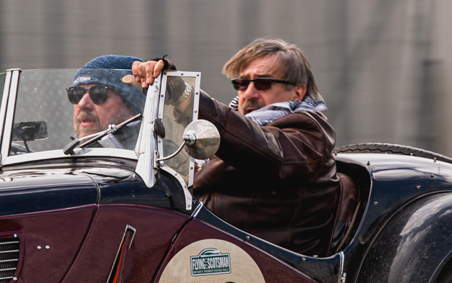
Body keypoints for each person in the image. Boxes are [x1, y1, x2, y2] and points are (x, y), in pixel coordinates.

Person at [131, 39, 340, 254]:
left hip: (265, 263)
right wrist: (150, 84)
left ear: (297, 92)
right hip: (205, 252)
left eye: (263, 83)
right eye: (242, 84)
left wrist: (185, 96)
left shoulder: (309, 132)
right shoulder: (234, 135)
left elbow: (266, 150)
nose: (248, 93)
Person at [68, 55, 145, 148]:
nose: (81, 104)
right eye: (76, 94)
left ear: (130, 107)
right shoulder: (64, 156)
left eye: (98, 93)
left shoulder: (154, 152)